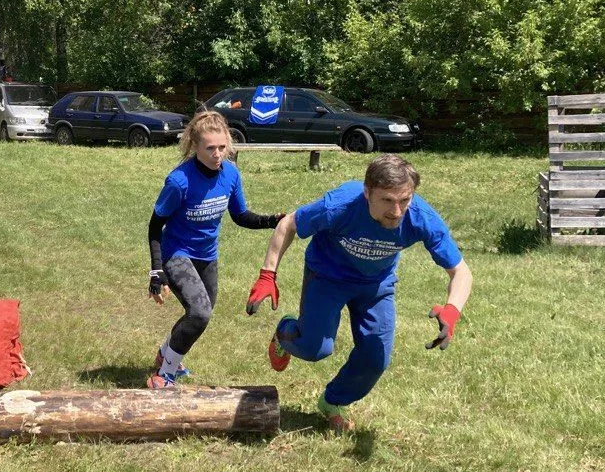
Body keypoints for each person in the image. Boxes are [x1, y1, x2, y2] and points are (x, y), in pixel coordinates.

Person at [247, 154, 473, 432]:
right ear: (368, 192)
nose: (397, 211)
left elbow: (461, 271)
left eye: (405, 200)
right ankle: (285, 333)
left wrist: (453, 310)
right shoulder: (340, 204)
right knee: (315, 349)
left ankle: (333, 401)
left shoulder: (421, 218)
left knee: (376, 358)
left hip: (376, 285)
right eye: (387, 201)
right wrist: (268, 275)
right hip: (327, 276)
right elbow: (289, 224)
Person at [146, 111, 284, 389]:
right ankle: (165, 374)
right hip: (178, 254)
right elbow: (154, 227)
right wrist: (157, 270)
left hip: (208, 256)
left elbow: (241, 216)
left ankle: (165, 354)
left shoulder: (231, 174)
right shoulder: (179, 181)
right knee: (200, 313)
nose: (217, 154)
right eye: (210, 148)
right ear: (195, 146)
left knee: (200, 314)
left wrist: (273, 220)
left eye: (222, 147)